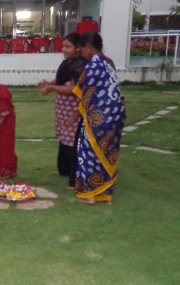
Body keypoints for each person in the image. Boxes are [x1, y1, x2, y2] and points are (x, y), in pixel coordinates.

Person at [73, 32, 126, 204]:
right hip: (116, 116)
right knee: (107, 152)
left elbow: (84, 94)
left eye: (82, 50)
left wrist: (75, 115)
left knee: (89, 152)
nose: (82, 55)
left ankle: (90, 195)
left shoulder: (93, 65)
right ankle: (106, 195)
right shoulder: (108, 63)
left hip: (100, 116)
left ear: (88, 46)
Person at [38, 33, 88, 185]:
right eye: (63, 46)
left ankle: (75, 178)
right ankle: (64, 169)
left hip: (73, 110)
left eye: (68, 46)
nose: (64, 49)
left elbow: (75, 89)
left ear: (77, 48)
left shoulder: (80, 64)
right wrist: (49, 85)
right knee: (65, 141)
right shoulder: (67, 63)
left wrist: (52, 87)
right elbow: (61, 80)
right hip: (63, 110)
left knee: (73, 142)